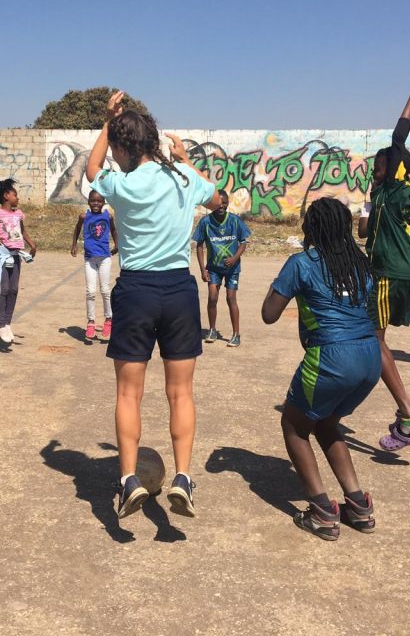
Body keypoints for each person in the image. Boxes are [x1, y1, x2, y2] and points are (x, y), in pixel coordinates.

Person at [86, 90, 221, 520]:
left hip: (137, 291)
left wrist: (107, 122)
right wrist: (184, 159)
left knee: (129, 393)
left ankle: (128, 480)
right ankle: (183, 477)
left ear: (124, 147)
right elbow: (218, 201)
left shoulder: (121, 184)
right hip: (179, 291)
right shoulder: (182, 177)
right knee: (180, 392)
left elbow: (91, 170)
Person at [262, 198, 380, 541]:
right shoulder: (359, 262)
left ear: (310, 228)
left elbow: (269, 314)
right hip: (369, 356)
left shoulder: (301, 263)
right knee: (327, 423)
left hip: (331, 357)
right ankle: (358, 505)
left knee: (294, 426)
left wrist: (280, 283)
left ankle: (322, 511)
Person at [357, 70, 410, 451]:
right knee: (374, 338)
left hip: (389, 273)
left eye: (376, 168)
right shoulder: (405, 194)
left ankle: (408, 412)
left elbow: (398, 137)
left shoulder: (394, 189)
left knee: (374, 338)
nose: (372, 174)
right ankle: (402, 421)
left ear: (389, 170)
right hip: (403, 273)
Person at [0, 178, 37, 344]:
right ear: (6, 196)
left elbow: (22, 232)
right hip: (2, 255)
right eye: (15, 194)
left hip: (16, 255)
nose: (18, 198)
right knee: (3, 289)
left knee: (14, 289)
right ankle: (0, 324)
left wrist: (32, 245)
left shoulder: (18, 214)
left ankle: (8, 322)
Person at [192, 189, 252, 347]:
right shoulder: (205, 222)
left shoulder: (234, 221)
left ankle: (236, 334)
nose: (221, 205)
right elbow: (199, 245)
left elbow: (244, 242)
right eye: (218, 203)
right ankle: (212, 329)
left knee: (230, 298)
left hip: (232, 269)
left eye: (224, 202)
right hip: (213, 268)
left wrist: (234, 258)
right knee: (212, 298)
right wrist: (202, 269)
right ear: (213, 204)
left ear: (228, 203)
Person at [70, 189, 119, 340]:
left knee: (105, 290)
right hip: (90, 259)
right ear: (88, 202)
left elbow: (113, 230)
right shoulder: (84, 216)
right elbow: (77, 229)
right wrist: (74, 245)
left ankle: (109, 319)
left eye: (99, 201)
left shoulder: (108, 216)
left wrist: (117, 244)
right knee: (90, 291)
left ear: (104, 202)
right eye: (93, 201)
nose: (96, 203)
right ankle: (91, 321)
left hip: (104, 258)